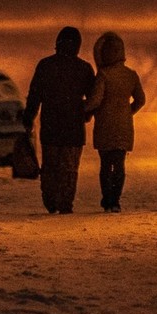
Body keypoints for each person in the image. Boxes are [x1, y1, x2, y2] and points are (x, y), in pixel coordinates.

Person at [23, 26, 94, 214]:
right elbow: (93, 98)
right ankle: (65, 203)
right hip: (74, 129)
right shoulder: (84, 69)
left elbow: (34, 95)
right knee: (69, 170)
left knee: (50, 167)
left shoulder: (45, 66)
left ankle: (51, 200)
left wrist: (28, 118)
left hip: (51, 127)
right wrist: (86, 114)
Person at [83, 30, 146, 212]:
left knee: (105, 164)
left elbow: (95, 100)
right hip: (124, 126)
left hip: (104, 125)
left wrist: (81, 108)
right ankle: (116, 200)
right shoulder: (131, 75)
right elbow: (141, 100)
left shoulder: (103, 75)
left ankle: (107, 200)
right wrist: (128, 112)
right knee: (119, 164)